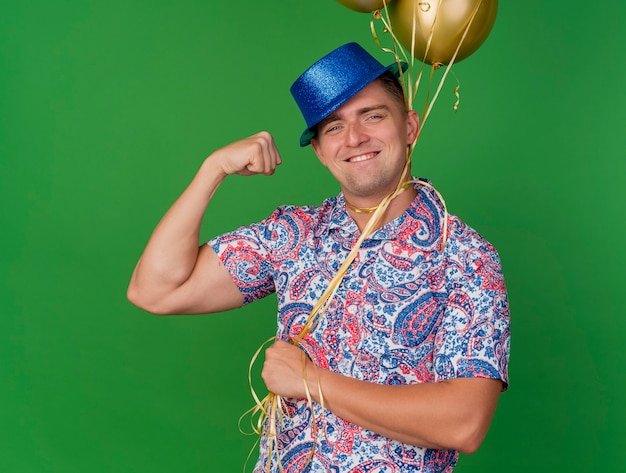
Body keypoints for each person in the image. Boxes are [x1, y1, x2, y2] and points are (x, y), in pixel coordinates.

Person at [127, 42, 510, 472]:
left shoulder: (465, 257)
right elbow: (155, 290)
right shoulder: (293, 235)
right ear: (321, 152)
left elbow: (463, 424)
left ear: (410, 126)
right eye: (333, 127)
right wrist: (212, 170)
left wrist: (312, 381)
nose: (355, 138)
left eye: (373, 115)